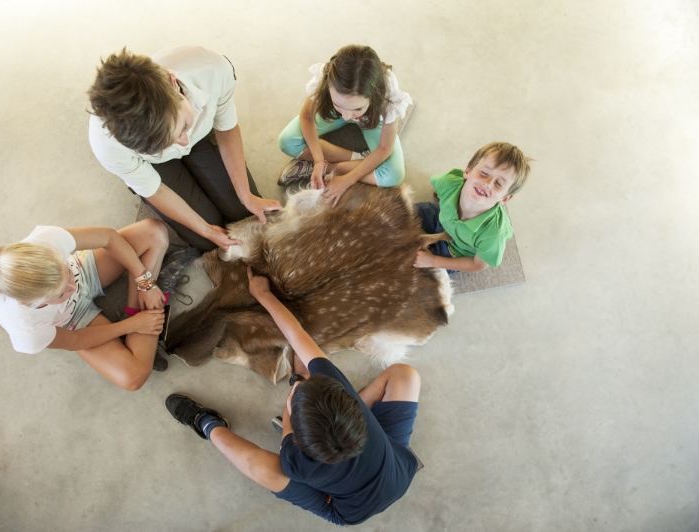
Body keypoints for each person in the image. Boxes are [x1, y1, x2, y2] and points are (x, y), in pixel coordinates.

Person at [165, 267, 420, 526]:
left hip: (349, 510)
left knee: (262, 469)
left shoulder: (295, 462)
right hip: (400, 469)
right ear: (349, 401)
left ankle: (207, 423)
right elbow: (298, 336)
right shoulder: (334, 385)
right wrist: (265, 296)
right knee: (406, 375)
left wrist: (296, 383)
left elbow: (289, 420)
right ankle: (329, 422)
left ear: (298, 439)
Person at [88, 46, 282, 251]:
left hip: (201, 136)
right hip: (155, 164)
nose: (183, 143)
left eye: (183, 127)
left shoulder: (213, 70)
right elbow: (156, 189)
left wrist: (246, 196)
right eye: (164, 144)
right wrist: (206, 230)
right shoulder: (106, 146)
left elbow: (226, 130)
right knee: (207, 240)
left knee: (244, 213)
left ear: (174, 83)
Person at [0, 220, 171, 391]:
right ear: (29, 303)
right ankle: (150, 297)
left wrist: (145, 282)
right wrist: (130, 326)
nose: (73, 286)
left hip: (84, 271)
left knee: (155, 232)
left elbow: (109, 237)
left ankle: (141, 304)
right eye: (60, 293)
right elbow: (75, 340)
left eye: (65, 271)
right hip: (72, 320)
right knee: (133, 377)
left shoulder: (45, 241)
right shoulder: (26, 329)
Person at [277, 44, 413, 208]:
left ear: (374, 95)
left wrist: (347, 179)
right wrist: (318, 160)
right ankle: (361, 157)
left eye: (357, 108)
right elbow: (307, 116)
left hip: (372, 120)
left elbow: (385, 148)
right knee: (287, 141)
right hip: (332, 114)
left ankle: (331, 167)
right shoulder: (325, 79)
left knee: (394, 175)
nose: (347, 117)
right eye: (338, 104)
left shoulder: (388, 94)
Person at [413, 142, 531, 273]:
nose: (487, 183)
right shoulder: (449, 183)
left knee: (416, 269)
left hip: (455, 251)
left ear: (505, 198)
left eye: (498, 183)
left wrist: (433, 260)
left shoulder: (493, 236)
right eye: (484, 173)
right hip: (440, 218)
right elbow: (437, 183)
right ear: (467, 170)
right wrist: (440, 192)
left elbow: (478, 265)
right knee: (408, 212)